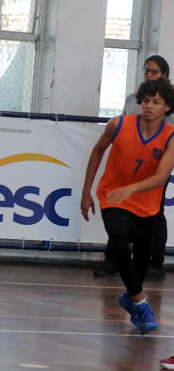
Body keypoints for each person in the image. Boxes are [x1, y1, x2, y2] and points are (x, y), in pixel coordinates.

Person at [81, 77, 174, 335]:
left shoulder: (170, 137)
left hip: (146, 203)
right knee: (120, 247)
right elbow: (97, 152)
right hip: (112, 196)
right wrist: (86, 192)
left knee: (141, 260)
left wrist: (132, 188)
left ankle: (129, 297)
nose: (149, 106)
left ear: (167, 107)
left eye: (156, 102)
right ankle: (142, 307)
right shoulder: (118, 124)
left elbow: (161, 177)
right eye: (146, 100)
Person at [94, 55, 172, 281]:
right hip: (130, 164)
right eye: (147, 70)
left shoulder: (169, 101)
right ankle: (113, 260)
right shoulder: (132, 100)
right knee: (118, 211)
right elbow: (125, 127)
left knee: (155, 213)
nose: (149, 74)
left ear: (164, 76)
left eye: (154, 71)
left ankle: (155, 264)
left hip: (155, 165)